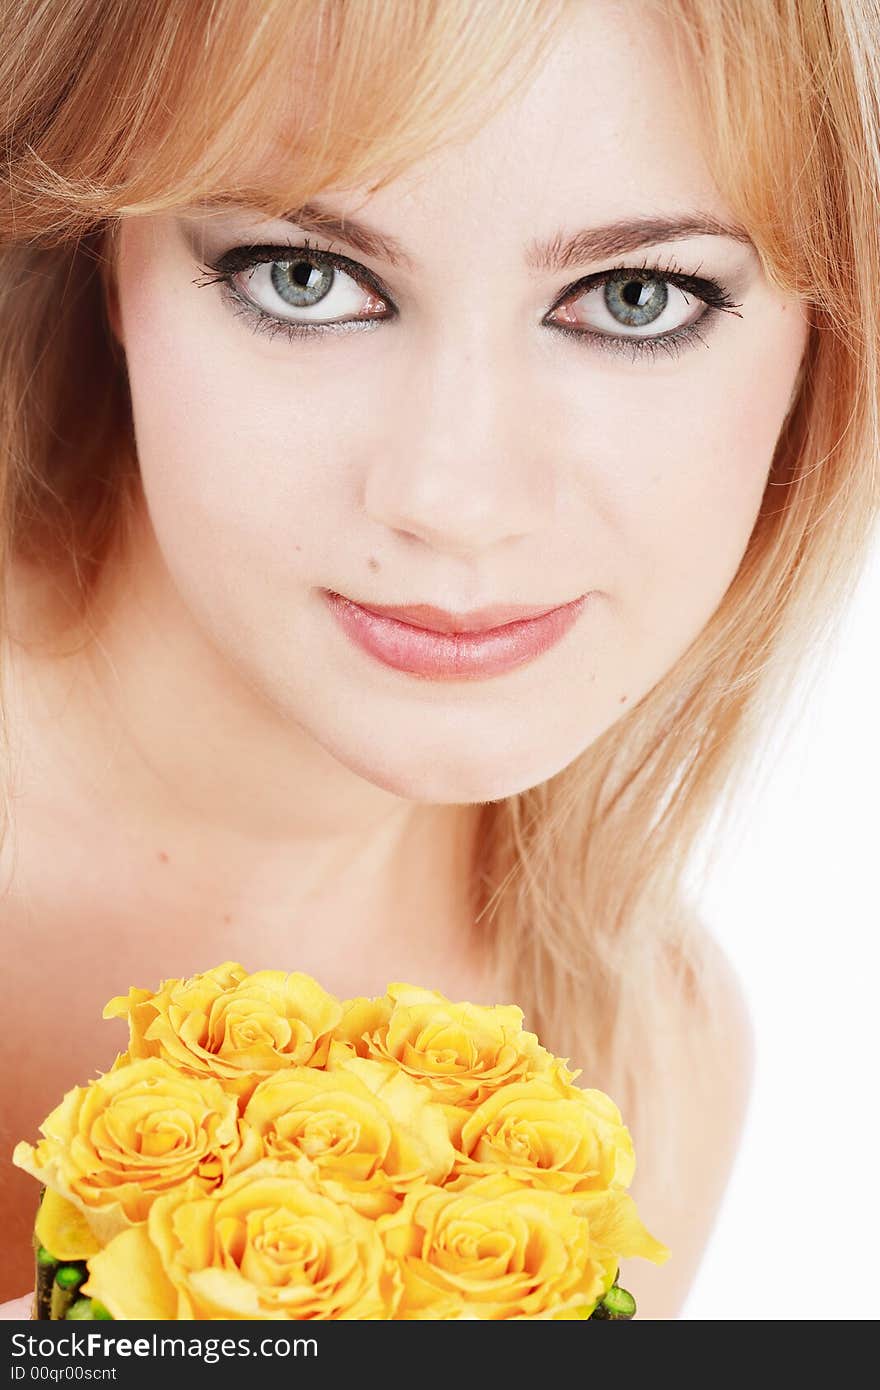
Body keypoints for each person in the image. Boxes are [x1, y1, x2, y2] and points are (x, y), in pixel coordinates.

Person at [0, 0, 877, 1320]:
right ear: (103, 261)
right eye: (307, 277)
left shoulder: (634, 1068)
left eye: (635, 299)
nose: (453, 497)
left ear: (827, 335)